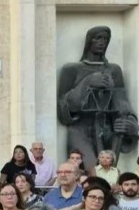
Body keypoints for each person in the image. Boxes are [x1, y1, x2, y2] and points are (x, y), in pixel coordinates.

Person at [58, 26, 139, 170]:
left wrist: (131, 124)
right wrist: (88, 82)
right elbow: (64, 106)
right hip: (80, 129)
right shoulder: (71, 69)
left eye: (105, 39)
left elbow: (122, 102)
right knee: (91, 171)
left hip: (105, 129)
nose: (102, 42)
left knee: (108, 173)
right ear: (89, 41)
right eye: (98, 38)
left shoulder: (114, 70)